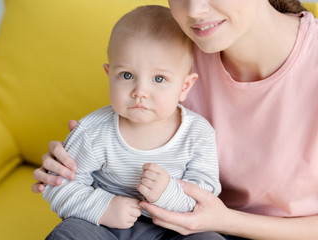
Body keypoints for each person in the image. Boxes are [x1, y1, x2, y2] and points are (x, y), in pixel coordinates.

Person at [33, 0, 318, 239]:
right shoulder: (178, 43)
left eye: (159, 79)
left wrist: (222, 221)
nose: (194, 10)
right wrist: (68, 167)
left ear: (186, 85)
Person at [42, 5, 222, 240]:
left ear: (184, 87)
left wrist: (167, 193)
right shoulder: (93, 131)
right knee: (68, 234)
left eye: (159, 79)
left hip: (174, 230)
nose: (140, 92)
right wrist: (105, 207)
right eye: (126, 75)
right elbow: (58, 186)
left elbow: (205, 195)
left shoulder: (198, 134)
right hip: (104, 225)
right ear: (109, 76)